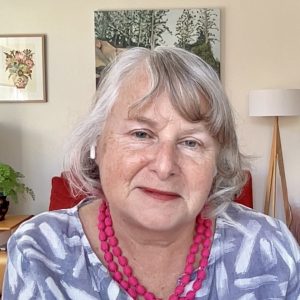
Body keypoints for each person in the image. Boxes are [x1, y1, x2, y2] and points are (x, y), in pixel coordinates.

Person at [2, 47, 300, 300]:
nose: (164, 165)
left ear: (217, 162)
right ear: (96, 143)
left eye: (191, 142)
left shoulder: (268, 247)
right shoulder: (39, 251)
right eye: (142, 134)